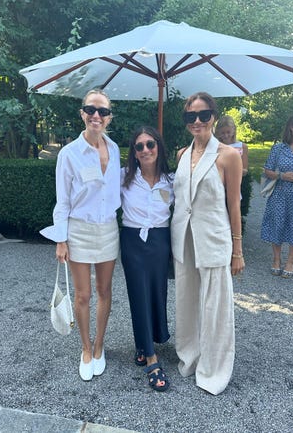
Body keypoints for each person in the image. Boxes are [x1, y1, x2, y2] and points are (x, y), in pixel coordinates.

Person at [40, 89, 121, 381]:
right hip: (79, 231)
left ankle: (100, 345)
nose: (96, 115)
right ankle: (85, 348)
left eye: (102, 111)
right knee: (83, 295)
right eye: (91, 109)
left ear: (109, 117)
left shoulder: (114, 150)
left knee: (105, 292)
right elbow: (62, 200)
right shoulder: (69, 154)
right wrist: (61, 239)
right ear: (82, 113)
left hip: (108, 230)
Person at [170, 92, 245, 395]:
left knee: (215, 307)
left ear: (214, 116)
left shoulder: (228, 155)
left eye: (203, 115)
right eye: (191, 116)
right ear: (186, 120)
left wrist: (237, 250)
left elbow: (234, 206)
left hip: (214, 239)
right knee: (186, 301)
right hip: (184, 238)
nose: (197, 121)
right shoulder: (180, 154)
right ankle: (190, 356)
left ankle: (214, 368)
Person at [120, 126, 174, 392]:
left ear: (158, 147)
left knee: (157, 292)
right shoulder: (123, 178)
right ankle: (152, 358)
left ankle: (144, 343)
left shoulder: (172, 180)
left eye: (150, 144)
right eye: (139, 146)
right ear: (134, 152)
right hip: (132, 241)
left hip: (161, 242)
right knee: (138, 294)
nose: (145, 150)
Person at [261, 114, 293, 278]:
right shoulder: (278, 149)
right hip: (279, 194)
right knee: (277, 223)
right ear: (291, 128)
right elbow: (267, 170)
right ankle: (276, 259)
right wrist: (282, 175)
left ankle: (290, 261)